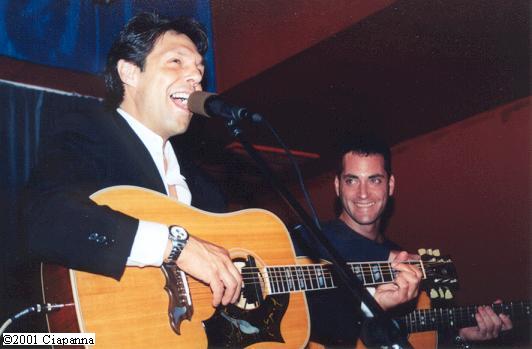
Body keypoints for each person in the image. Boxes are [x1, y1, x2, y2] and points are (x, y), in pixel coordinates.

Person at [22, 12, 241, 308]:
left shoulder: (208, 191)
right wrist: (175, 247)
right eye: (176, 62)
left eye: (199, 69)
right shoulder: (85, 135)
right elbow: (46, 220)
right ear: (129, 73)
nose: (196, 77)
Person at [292, 136, 513, 348]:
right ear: (338, 186)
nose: (363, 194)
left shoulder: (403, 263)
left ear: (390, 185)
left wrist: (461, 336)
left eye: (374, 180)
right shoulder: (306, 241)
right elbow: (307, 325)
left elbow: (407, 332)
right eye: (352, 180)